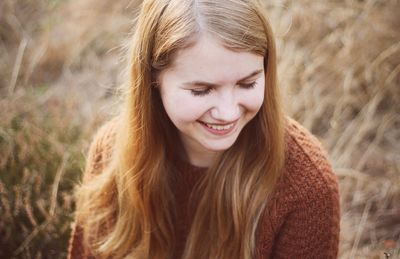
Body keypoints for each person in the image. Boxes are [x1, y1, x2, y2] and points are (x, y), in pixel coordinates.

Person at [68, 0, 340, 258]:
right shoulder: (112, 152)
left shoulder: (306, 185)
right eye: (201, 90)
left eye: (247, 84)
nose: (228, 112)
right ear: (153, 79)